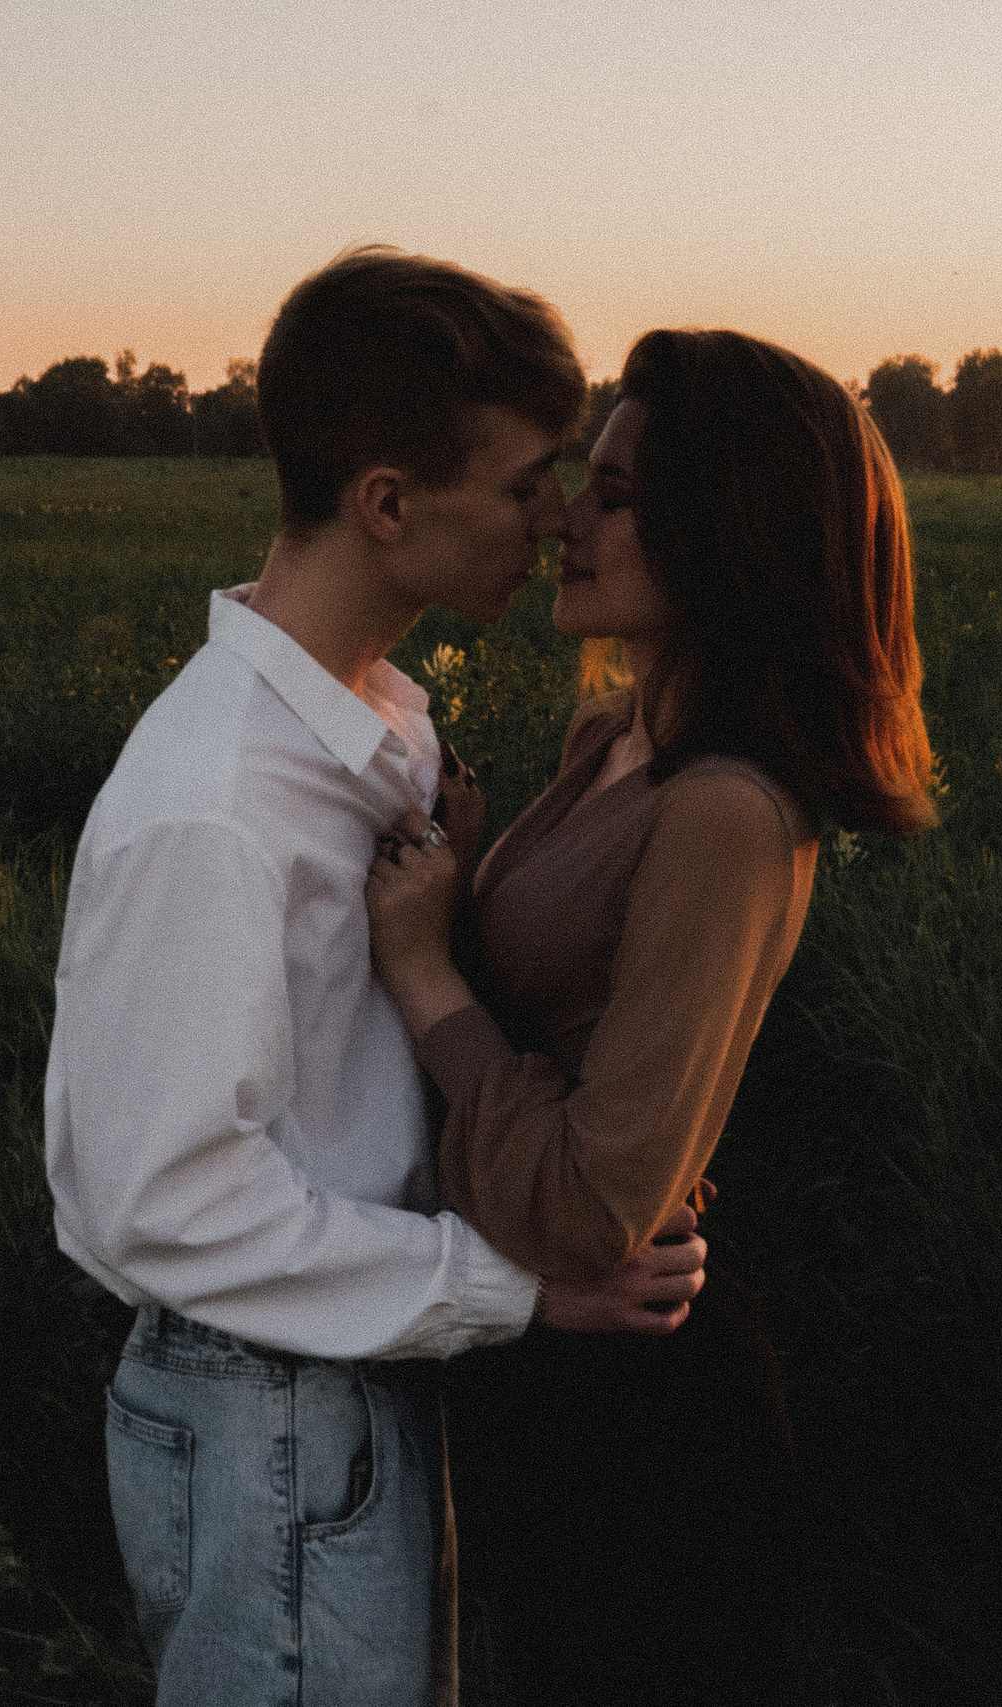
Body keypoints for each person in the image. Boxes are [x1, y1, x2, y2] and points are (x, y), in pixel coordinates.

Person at [43, 248, 709, 1707]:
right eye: (531, 482)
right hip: (270, 1407)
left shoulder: (371, 733)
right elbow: (170, 1199)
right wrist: (513, 1287)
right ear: (391, 503)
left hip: (338, 1386)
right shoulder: (219, 801)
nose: (561, 520)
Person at [364, 328, 938, 1703]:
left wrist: (425, 965)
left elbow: (589, 1210)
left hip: (642, 1411)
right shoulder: (610, 744)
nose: (566, 516)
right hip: (546, 1366)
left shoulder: (727, 812)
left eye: (615, 494)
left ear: (728, 531)